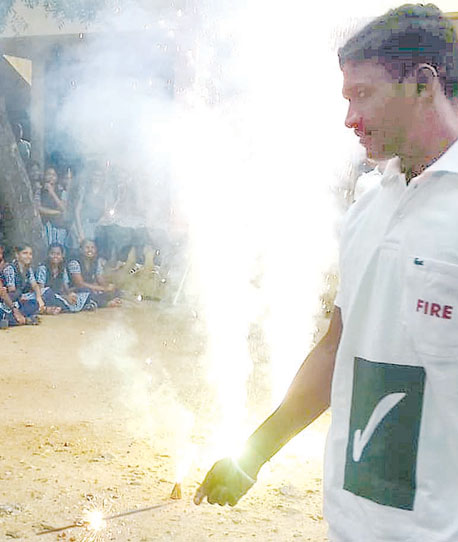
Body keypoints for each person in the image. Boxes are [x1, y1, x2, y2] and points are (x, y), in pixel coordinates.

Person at [194, 5, 458, 541]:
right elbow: (336, 349)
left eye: (363, 95)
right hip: (351, 523)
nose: (349, 120)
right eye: (346, 99)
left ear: (423, 84)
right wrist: (252, 457)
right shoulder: (367, 206)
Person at [37, 243, 89, 312]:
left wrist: (70, 295)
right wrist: (64, 297)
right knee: (48, 293)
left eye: (58, 254)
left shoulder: (62, 269)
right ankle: (68, 307)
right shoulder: (43, 268)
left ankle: (65, 306)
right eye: (52, 253)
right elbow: (41, 290)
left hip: (60, 296)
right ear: (48, 255)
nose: (55, 256)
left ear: (62, 256)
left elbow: (66, 288)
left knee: (84, 291)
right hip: (48, 296)